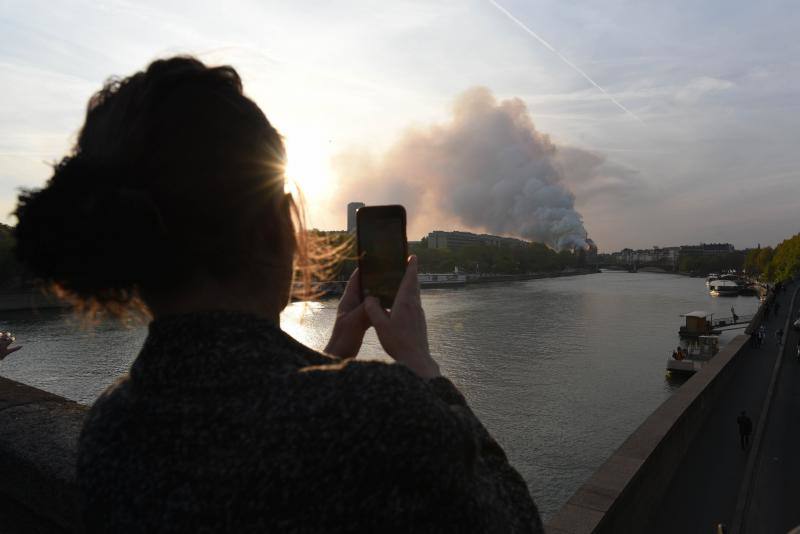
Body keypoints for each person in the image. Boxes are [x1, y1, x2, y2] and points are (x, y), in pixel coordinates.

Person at [12, 57, 542, 533]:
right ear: (276, 227)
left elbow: (256, 423)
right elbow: (516, 520)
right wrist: (421, 362)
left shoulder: (111, 428)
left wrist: (331, 353)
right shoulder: (380, 412)